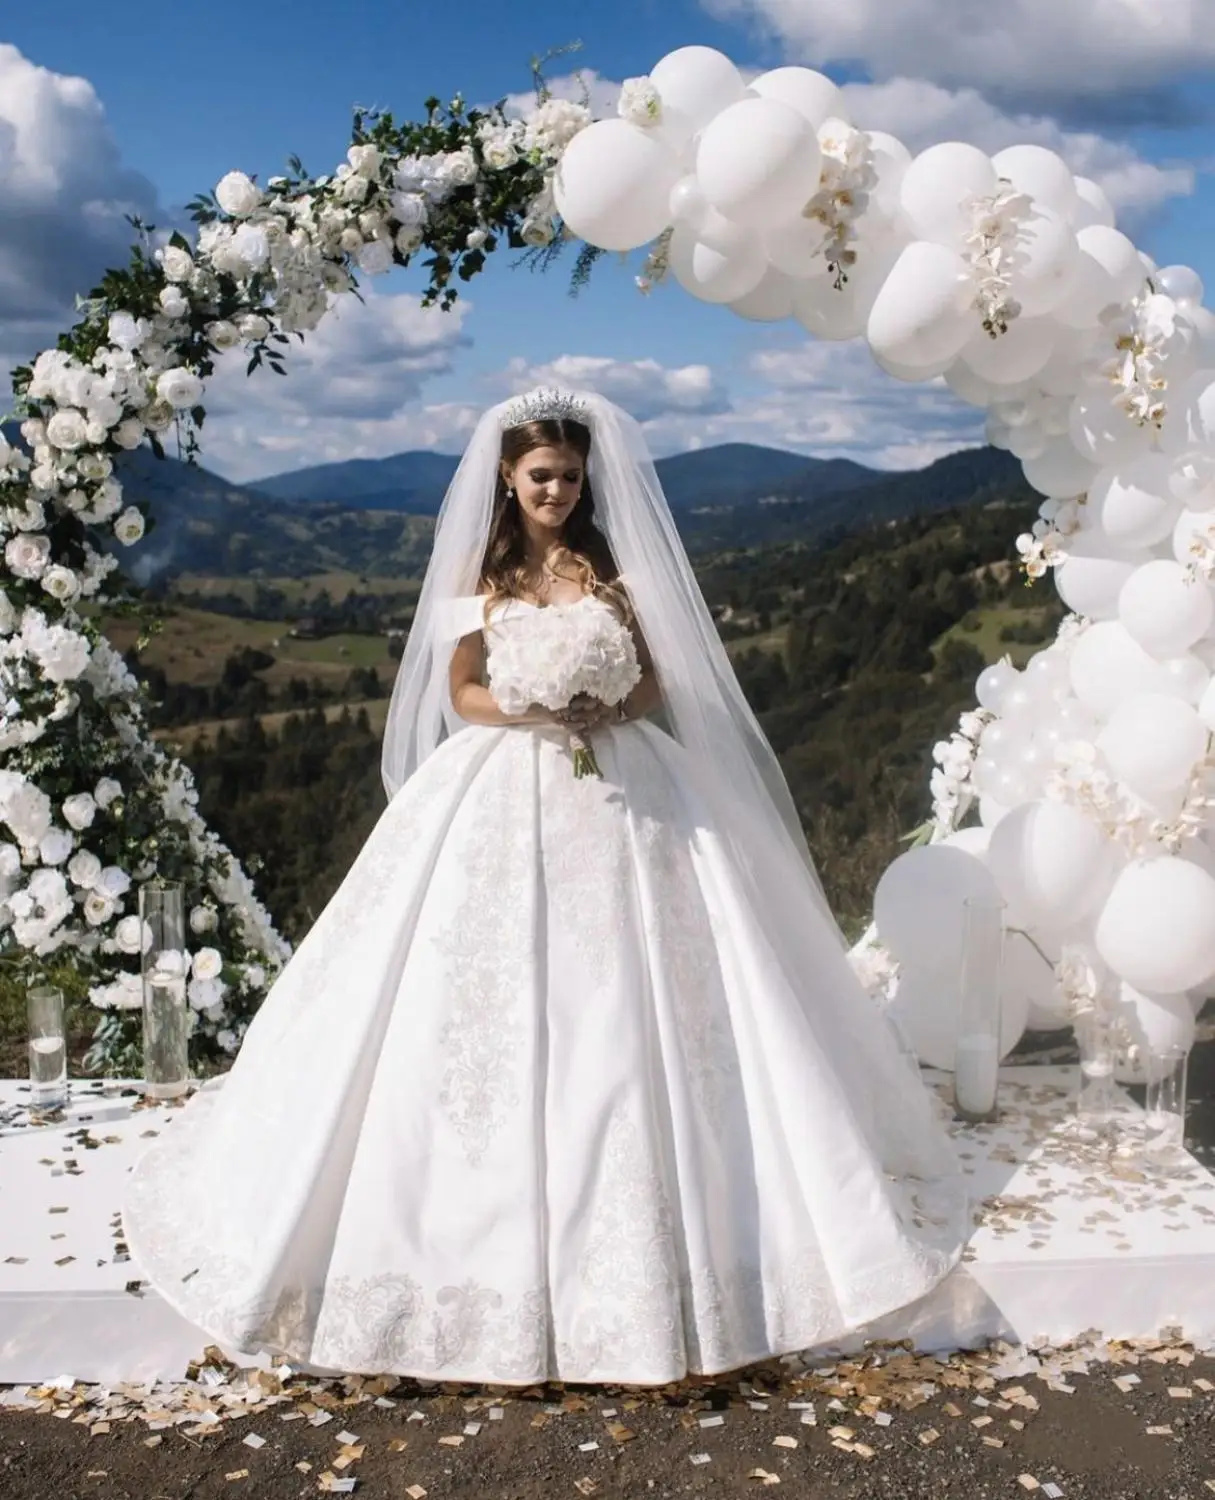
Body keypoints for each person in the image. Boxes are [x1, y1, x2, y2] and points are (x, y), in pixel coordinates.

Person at [123, 387, 970, 1387]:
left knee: (646, 1002)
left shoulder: (615, 567)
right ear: (507, 480)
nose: (558, 492)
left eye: (570, 476)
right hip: (503, 781)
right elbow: (461, 692)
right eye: (541, 478)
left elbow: (658, 677)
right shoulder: (476, 575)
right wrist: (529, 709)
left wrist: (609, 702)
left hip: (625, 781)